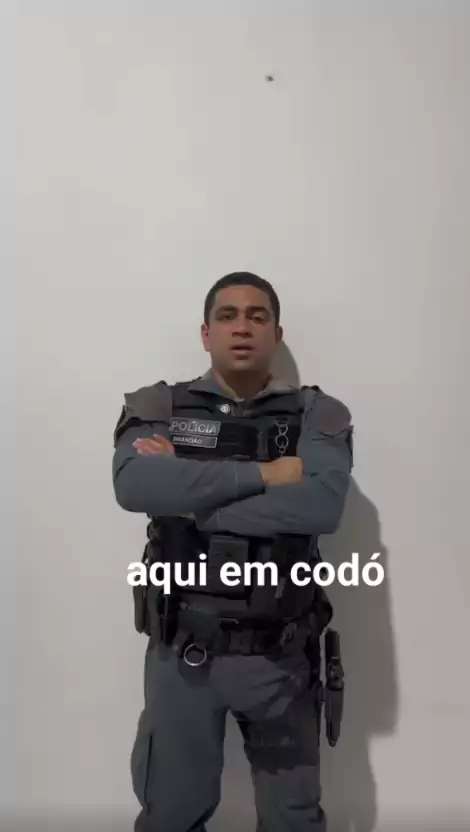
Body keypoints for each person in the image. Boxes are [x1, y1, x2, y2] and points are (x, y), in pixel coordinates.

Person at [112, 271, 353, 832]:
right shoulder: (158, 406)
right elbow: (135, 487)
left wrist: (190, 497)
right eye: (227, 316)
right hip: (184, 657)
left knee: (293, 819)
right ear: (205, 333)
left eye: (257, 316)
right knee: (171, 814)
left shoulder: (317, 414)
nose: (242, 327)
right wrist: (268, 474)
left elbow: (321, 506)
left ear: (276, 334)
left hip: (282, 661)